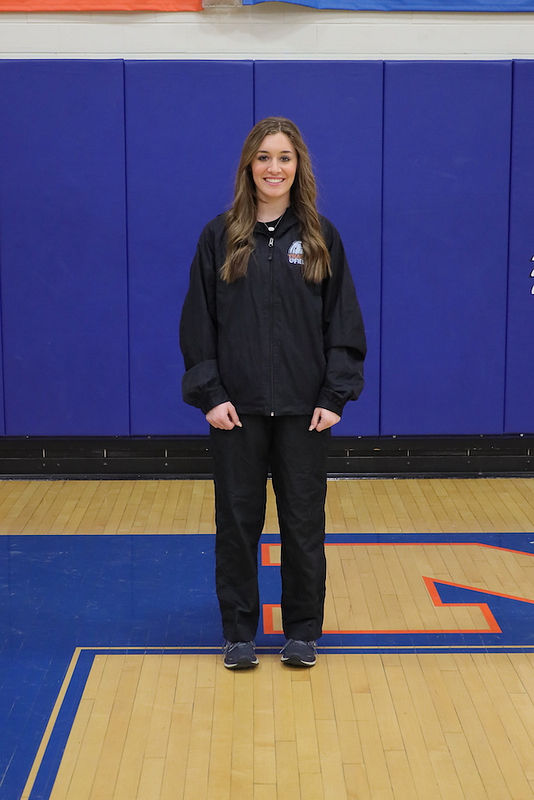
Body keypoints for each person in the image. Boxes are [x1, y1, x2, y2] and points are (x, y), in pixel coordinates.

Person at [180, 117, 366, 669]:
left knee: (303, 525)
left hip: (305, 414)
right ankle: (238, 634)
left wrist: (333, 396)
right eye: (264, 157)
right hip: (235, 412)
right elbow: (198, 324)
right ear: (249, 166)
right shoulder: (218, 237)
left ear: (298, 166)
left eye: (284, 157)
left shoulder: (321, 237)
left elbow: (343, 324)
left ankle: (302, 632)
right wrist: (210, 394)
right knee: (237, 525)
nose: (274, 168)